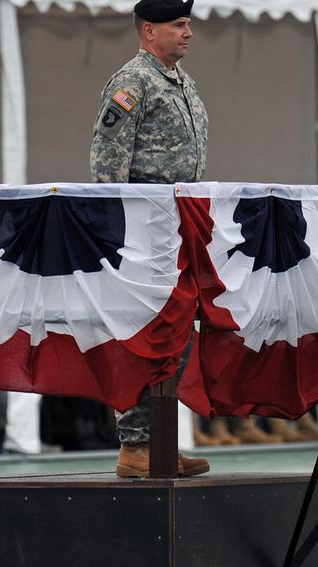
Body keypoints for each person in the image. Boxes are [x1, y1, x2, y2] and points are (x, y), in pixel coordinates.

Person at [90, 0, 208, 478]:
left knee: (175, 337)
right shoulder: (131, 82)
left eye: (188, 23)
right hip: (143, 232)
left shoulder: (180, 82)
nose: (188, 32)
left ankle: (158, 440)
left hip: (176, 230)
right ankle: (135, 444)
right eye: (178, 24)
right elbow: (106, 163)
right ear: (148, 30)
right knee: (146, 336)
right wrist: (119, 233)